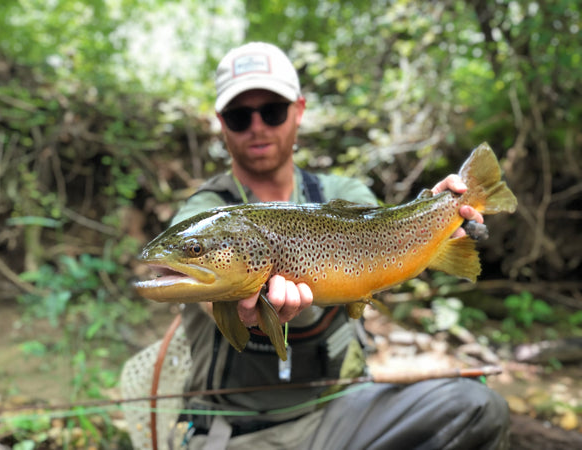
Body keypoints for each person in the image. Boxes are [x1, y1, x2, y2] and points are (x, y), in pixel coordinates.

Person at [170, 42, 509, 450]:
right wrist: (245, 310)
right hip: (242, 431)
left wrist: (435, 215)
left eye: (273, 112)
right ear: (221, 123)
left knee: (477, 406)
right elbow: (202, 291)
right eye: (240, 117)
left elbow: (384, 245)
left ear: (299, 110)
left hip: (346, 411)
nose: (257, 126)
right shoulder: (206, 213)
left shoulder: (342, 192)